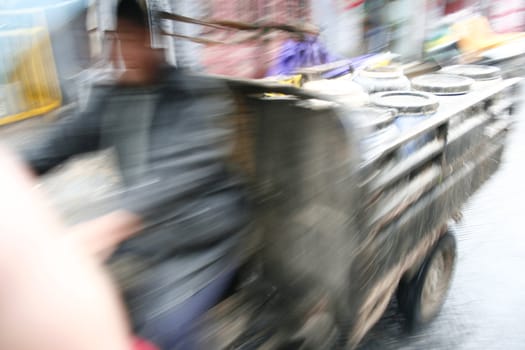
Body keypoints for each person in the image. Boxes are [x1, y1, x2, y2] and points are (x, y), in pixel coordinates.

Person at [20, 0, 249, 348]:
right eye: (112, 40)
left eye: (127, 39)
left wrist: (106, 226)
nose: (118, 52)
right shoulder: (112, 98)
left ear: (149, 41)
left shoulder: (195, 96)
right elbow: (57, 144)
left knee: (167, 328)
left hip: (200, 236)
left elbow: (172, 179)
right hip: (146, 236)